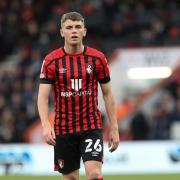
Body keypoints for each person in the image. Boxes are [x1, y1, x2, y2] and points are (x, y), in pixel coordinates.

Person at [37, 11, 119, 180]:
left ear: (84, 31)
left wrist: (114, 127)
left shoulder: (98, 59)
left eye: (77, 27)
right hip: (63, 128)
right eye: (69, 27)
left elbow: (108, 94)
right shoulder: (51, 61)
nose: (73, 31)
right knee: (71, 178)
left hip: (91, 125)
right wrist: (46, 125)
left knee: (95, 174)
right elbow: (42, 97)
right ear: (62, 32)